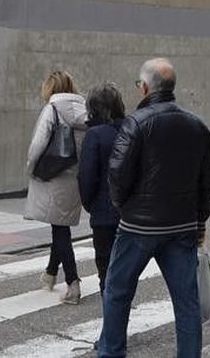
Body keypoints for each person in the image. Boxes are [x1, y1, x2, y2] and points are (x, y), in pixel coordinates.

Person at [95, 58, 210, 358]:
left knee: (118, 292)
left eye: (139, 85)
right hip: (180, 228)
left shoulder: (136, 123)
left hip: (138, 226)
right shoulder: (197, 126)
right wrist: (199, 220)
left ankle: (111, 352)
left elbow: (117, 176)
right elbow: (209, 181)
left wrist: (124, 208)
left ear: (146, 88)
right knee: (186, 302)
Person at [26, 70, 90, 303]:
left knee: (60, 229)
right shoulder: (86, 112)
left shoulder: (52, 109)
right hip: (76, 178)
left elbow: (38, 144)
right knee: (60, 225)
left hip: (55, 175)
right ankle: (51, 273)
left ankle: (73, 283)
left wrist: (31, 168)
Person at [78, 82, 127, 284]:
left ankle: (112, 313)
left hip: (104, 214)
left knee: (106, 272)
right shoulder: (132, 130)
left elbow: (86, 177)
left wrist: (91, 205)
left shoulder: (95, 135)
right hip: (131, 214)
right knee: (125, 270)